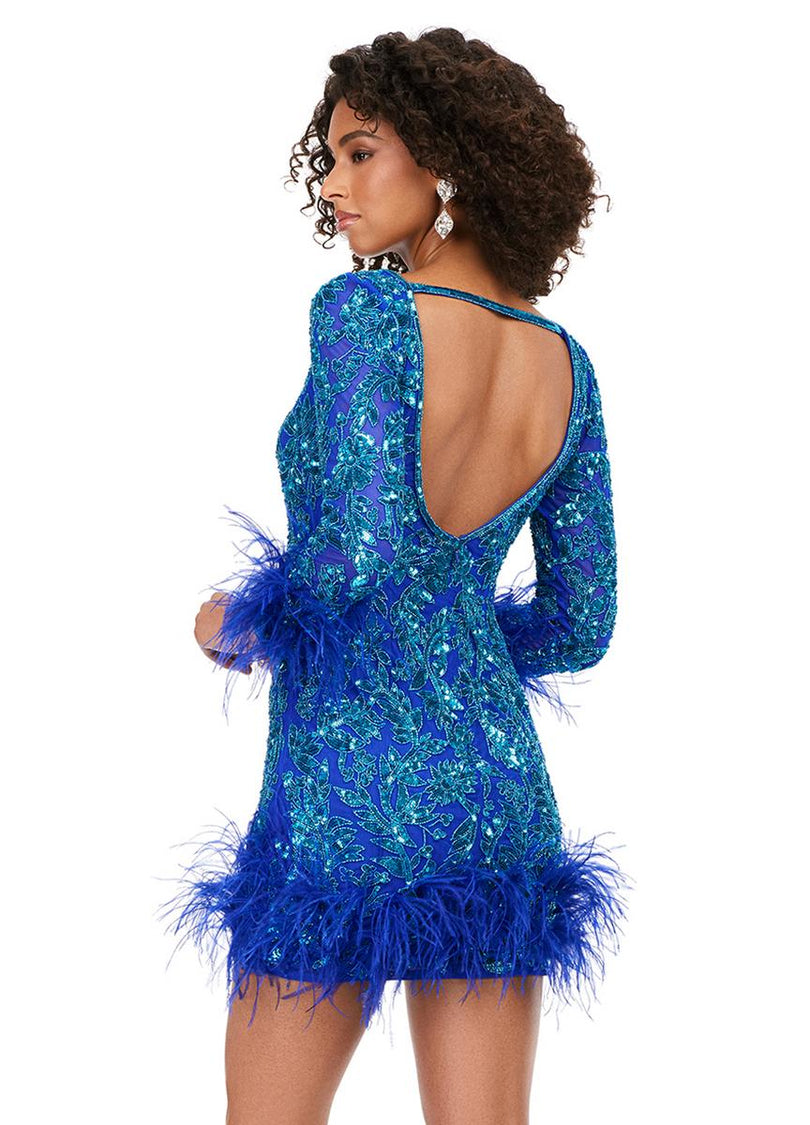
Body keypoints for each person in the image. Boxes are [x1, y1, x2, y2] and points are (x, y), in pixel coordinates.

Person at [158, 27, 632, 1125]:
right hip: (493, 794)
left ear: (447, 161)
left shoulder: (365, 312)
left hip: (346, 790)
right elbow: (580, 623)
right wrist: (446, 637)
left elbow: (357, 553)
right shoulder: (565, 363)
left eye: (360, 153)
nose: (333, 184)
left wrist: (234, 619)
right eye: (328, 159)